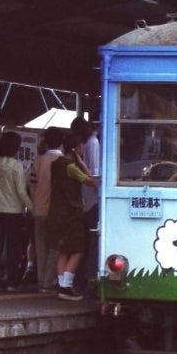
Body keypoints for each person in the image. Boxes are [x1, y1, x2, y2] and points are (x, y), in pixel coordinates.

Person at [48, 131, 98, 301]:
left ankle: (62, 284)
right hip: (71, 212)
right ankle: (67, 285)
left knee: (63, 250)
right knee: (78, 250)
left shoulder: (56, 164)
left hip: (56, 212)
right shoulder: (71, 167)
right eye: (82, 147)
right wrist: (83, 164)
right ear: (76, 148)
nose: (84, 148)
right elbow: (92, 182)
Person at [0, 130, 34, 291]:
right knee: (13, 247)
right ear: (15, 147)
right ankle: (12, 282)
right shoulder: (16, 166)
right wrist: (32, 207)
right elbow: (20, 191)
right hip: (13, 211)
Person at [27, 127, 64, 293]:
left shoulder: (38, 161)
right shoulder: (64, 161)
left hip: (38, 208)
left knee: (40, 246)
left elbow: (30, 184)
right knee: (55, 246)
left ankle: (41, 279)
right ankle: (49, 280)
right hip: (56, 210)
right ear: (61, 142)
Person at [71, 116, 100, 297]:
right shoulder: (94, 143)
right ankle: (86, 281)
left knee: (85, 243)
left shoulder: (90, 144)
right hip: (92, 201)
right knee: (90, 243)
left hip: (86, 200)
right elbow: (95, 175)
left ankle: (80, 280)